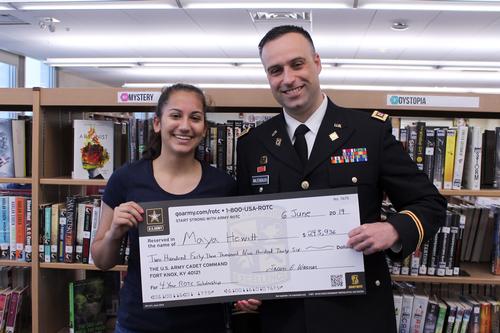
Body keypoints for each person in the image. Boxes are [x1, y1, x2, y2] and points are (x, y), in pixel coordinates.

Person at [235, 25, 447, 333]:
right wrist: (243, 283)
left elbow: (430, 203)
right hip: (283, 316)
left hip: (356, 314)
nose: (288, 79)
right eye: (275, 70)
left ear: (317, 62)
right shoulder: (253, 144)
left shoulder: (368, 132)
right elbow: (245, 227)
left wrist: (393, 229)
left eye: (297, 64)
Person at [91, 83, 236, 333]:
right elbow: (102, 261)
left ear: (204, 128)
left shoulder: (223, 185)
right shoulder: (125, 179)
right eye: (176, 115)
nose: (185, 126)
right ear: (158, 123)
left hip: (206, 324)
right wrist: (115, 232)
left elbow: (239, 256)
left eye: (195, 118)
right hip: (139, 323)